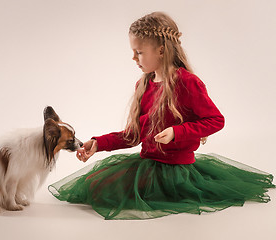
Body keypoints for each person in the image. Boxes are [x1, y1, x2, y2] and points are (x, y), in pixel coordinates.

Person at [48, 12, 274, 220]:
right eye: (133, 52)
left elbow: (216, 120)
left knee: (131, 197)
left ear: (162, 50)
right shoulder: (143, 84)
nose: (134, 58)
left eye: (139, 52)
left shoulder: (187, 83)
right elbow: (133, 135)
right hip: (147, 165)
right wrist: (99, 143)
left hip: (177, 172)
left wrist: (177, 132)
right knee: (97, 186)